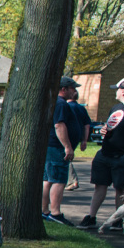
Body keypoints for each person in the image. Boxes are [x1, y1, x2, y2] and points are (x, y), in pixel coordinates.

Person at [76, 79, 124, 229]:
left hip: (122, 156)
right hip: (105, 153)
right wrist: (104, 130)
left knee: (121, 189)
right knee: (99, 185)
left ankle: (119, 220)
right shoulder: (116, 107)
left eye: (117, 89)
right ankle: (91, 217)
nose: (115, 92)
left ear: (123, 91)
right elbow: (111, 127)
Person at [43, 76, 82, 226]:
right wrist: (67, 146)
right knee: (58, 180)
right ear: (64, 89)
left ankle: (45, 210)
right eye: (73, 88)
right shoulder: (60, 104)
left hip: (51, 146)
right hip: (57, 147)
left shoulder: (56, 103)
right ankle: (55, 212)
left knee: (48, 179)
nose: (75, 91)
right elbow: (59, 125)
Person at [65, 89, 92, 190]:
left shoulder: (67, 107)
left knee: (65, 157)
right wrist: (84, 140)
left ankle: (72, 180)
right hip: (77, 135)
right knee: (68, 157)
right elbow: (87, 125)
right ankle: (71, 180)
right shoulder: (81, 108)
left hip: (67, 135)